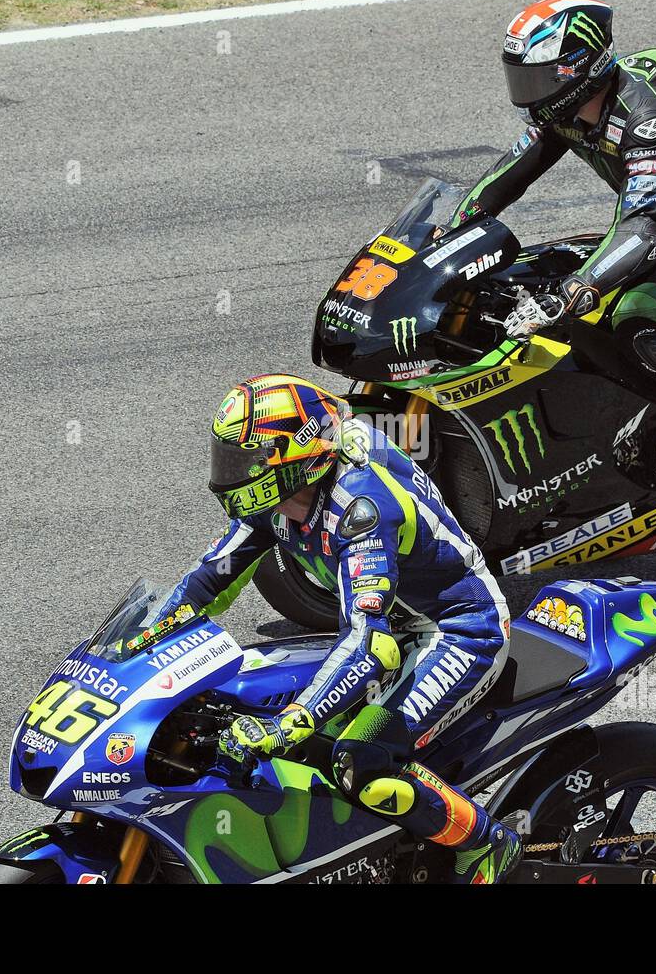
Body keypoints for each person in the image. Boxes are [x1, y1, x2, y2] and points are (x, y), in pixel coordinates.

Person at [157, 373, 521, 883]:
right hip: (391, 629)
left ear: (295, 457)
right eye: (228, 460)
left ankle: (487, 844)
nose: (232, 476)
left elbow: (368, 643)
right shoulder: (284, 492)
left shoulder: (360, 507)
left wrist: (296, 718)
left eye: (245, 462)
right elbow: (208, 579)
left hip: (457, 630)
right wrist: (148, 637)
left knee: (360, 760)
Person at [456, 0, 656, 504]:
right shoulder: (566, 109)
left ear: (579, 70)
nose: (528, 94)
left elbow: (641, 230)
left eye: (538, 79)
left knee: (637, 319)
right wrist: (452, 234)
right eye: (522, 78)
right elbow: (504, 178)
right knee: (536, 280)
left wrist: (576, 289)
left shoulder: (646, 121)